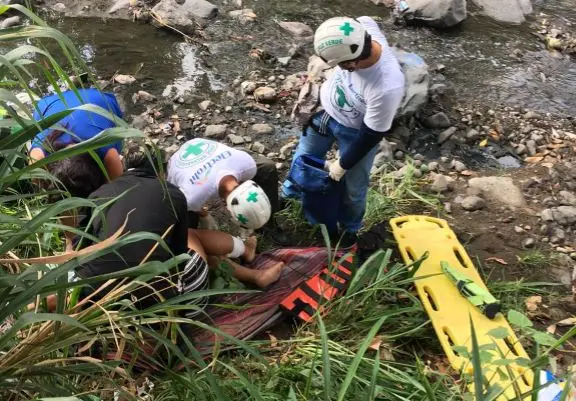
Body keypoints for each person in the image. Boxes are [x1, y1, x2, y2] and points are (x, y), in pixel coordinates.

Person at [69, 154, 283, 314]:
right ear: (161, 173)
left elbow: (79, 248)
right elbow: (180, 252)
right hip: (177, 307)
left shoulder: (98, 196)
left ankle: (252, 267)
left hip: (113, 310)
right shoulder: (170, 193)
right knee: (193, 239)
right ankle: (247, 255)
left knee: (188, 254)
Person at [281, 16, 405, 245]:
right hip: (323, 113)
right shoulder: (363, 29)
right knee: (302, 159)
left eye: (339, 64)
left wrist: (341, 165)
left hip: (355, 132)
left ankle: (349, 231)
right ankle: (289, 196)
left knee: (353, 189)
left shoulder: (386, 86)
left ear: (352, 63)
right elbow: (363, 18)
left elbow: (371, 134)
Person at [167, 138, 284, 238]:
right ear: (228, 208)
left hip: (201, 146)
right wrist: (204, 215)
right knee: (185, 216)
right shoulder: (194, 196)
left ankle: (266, 226)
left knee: (266, 168)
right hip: (180, 160)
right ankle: (195, 246)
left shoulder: (248, 165)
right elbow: (185, 203)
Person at [30, 88, 125, 197]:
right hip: (49, 104)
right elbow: (39, 191)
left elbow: (114, 192)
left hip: (100, 101)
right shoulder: (37, 159)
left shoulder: (109, 154)